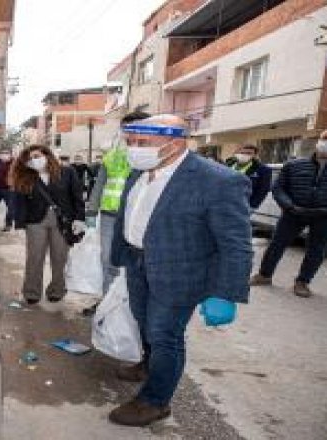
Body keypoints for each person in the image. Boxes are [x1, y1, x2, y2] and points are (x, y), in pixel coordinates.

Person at [108, 114, 253, 427]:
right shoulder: (140, 171)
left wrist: (225, 293)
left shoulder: (218, 180)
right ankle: (149, 365)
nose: (134, 148)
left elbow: (236, 243)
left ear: (174, 143)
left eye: (142, 142)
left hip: (180, 272)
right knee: (145, 323)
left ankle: (155, 401)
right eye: (131, 142)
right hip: (138, 263)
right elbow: (131, 214)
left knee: (165, 335)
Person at [250, 129, 327, 297]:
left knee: (316, 249)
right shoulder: (295, 164)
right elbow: (278, 187)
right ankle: (264, 275)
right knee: (277, 244)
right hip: (294, 213)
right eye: (325, 137)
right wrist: (289, 206)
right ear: (319, 139)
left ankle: (302, 282)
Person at [83, 111, 151, 317]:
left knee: (138, 263)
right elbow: (100, 184)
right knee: (108, 259)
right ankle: (107, 303)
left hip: (141, 217)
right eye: (127, 128)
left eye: (137, 127)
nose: (130, 132)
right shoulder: (113, 155)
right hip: (110, 215)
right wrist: (91, 210)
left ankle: (133, 308)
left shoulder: (153, 155)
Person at [13, 145, 85, 304]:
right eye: (29, 159)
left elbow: (77, 196)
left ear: (47, 155)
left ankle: (57, 290)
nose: (34, 160)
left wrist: (79, 218)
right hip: (35, 221)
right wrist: (19, 225)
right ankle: (31, 292)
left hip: (62, 221)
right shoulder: (26, 176)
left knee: (59, 257)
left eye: (37, 156)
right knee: (34, 257)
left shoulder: (67, 172)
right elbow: (20, 202)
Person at [224, 144, 272, 210]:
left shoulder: (262, 170)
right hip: (223, 202)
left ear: (255, 155)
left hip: (243, 205)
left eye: (248, 153)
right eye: (242, 153)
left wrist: (252, 206)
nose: (244, 155)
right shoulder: (226, 165)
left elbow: (263, 190)